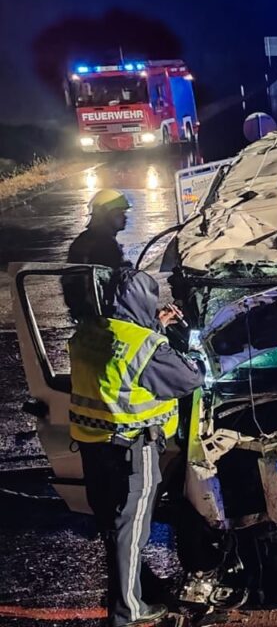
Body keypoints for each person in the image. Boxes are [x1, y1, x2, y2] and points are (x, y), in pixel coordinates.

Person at [70, 269, 203, 627]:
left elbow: (120, 355)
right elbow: (189, 378)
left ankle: (126, 593)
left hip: (91, 445)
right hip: (133, 450)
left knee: (114, 527)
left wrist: (153, 326)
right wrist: (168, 338)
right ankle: (127, 611)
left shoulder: (88, 331)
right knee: (132, 532)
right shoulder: (146, 347)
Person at [69, 188, 131, 268]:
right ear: (106, 215)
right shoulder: (107, 244)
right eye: (119, 213)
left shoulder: (82, 238)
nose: (125, 217)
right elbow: (111, 276)